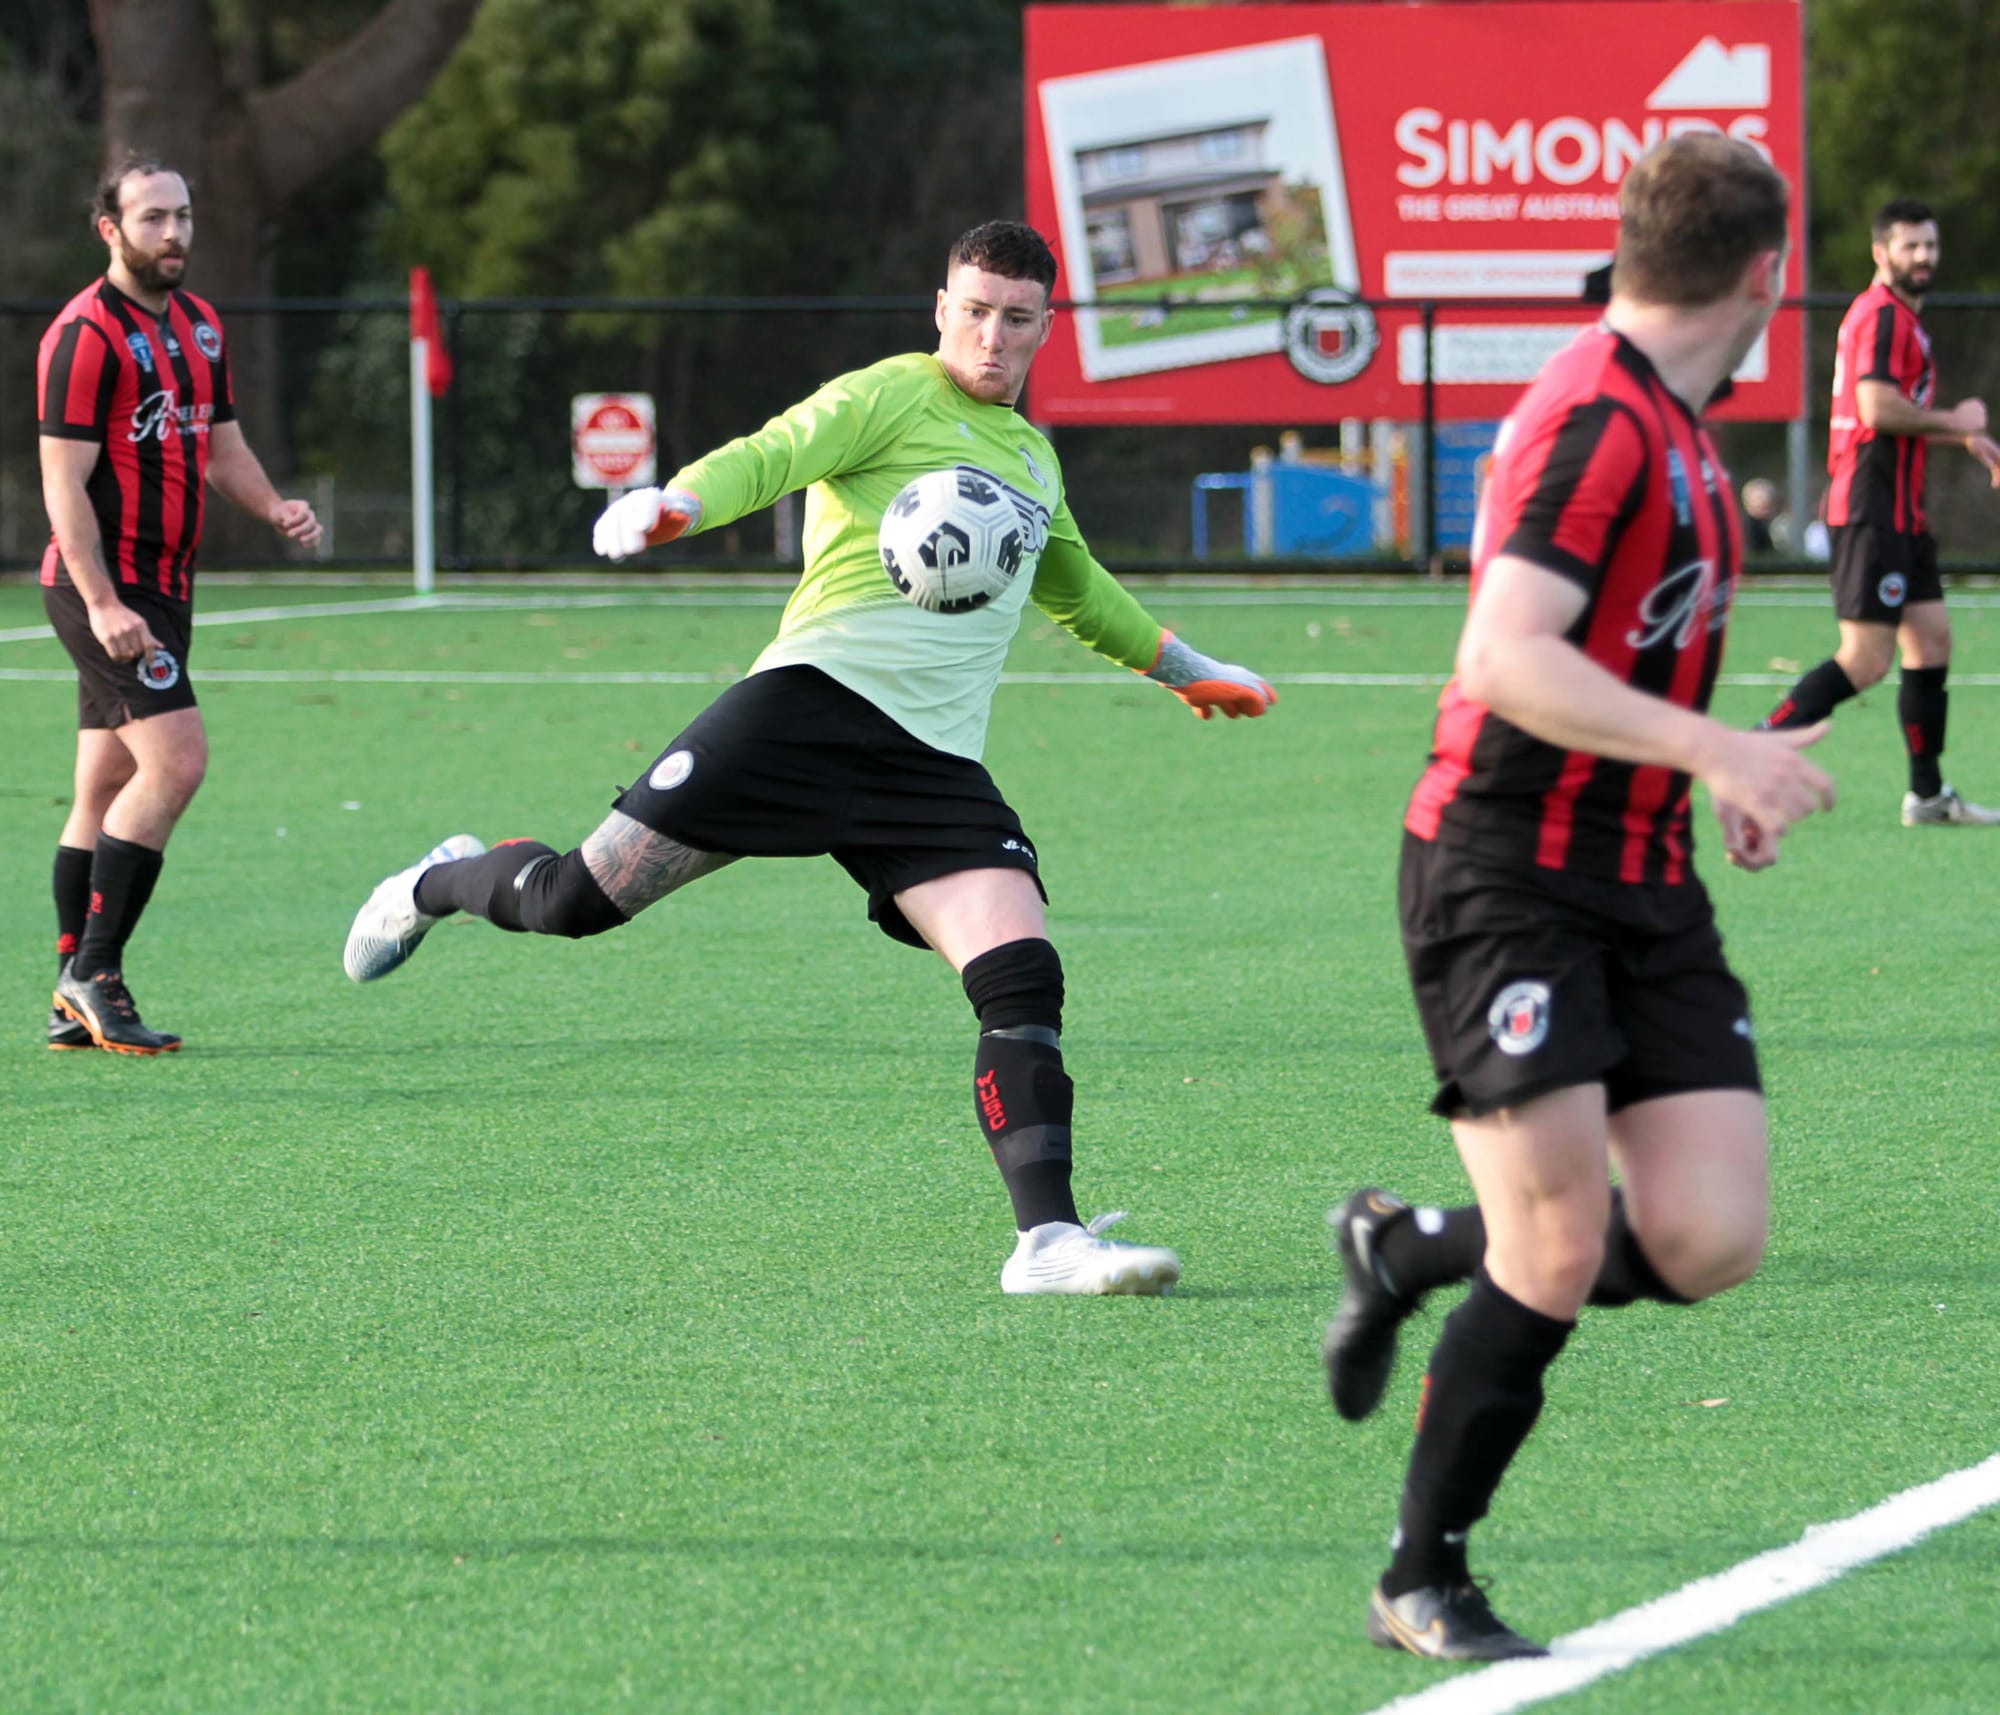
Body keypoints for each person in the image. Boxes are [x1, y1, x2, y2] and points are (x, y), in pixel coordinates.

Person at [343, 220, 1276, 1294]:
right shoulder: (889, 394)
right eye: (975, 311)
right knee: (570, 901)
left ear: (1045, 326)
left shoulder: (1031, 459)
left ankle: (1047, 1241)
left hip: (929, 766)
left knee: (1021, 974)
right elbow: (774, 452)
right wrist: (679, 503)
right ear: (941, 309)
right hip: (801, 711)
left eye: (1016, 318)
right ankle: (436, 880)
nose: (991, 336)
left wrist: (1186, 668)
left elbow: (1076, 588)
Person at [1320, 135, 1834, 1661]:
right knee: (1548, 1246)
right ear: (1769, 272)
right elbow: (1504, 655)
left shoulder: (1678, 424)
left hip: (1644, 873)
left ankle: (1411, 1246)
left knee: (1707, 1234)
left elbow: (1624, 649)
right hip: (1503, 870)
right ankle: (1421, 1573)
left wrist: (1704, 770)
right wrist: (1718, 746)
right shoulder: (1597, 415)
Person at [40, 156, 322, 1054]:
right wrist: (102, 602)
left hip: (165, 585)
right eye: (153, 217)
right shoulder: (84, 335)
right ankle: (96, 972)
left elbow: (220, 446)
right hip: (107, 588)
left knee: (102, 785)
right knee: (177, 764)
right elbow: (63, 485)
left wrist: (274, 506)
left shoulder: (198, 324)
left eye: (184, 216)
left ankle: (68, 993)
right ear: (110, 229)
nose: (174, 233)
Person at [1760, 198, 2000, 824]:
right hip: (1871, 507)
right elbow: (1876, 409)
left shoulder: (1900, 319)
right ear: (1880, 252)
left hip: (1900, 511)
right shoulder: (1885, 316)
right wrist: (1957, 420)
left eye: (1930, 245)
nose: (1923, 256)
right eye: (1909, 245)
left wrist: (1960, 438)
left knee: (1932, 639)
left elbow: (1891, 417)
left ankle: (1927, 795)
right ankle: (1755, 749)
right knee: (1865, 661)